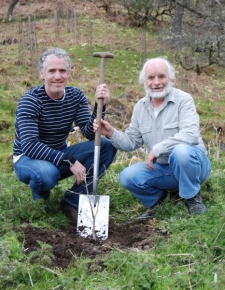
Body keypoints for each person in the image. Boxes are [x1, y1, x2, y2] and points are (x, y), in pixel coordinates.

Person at [94, 57, 211, 218]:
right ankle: (160, 201)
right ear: (144, 81)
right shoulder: (140, 107)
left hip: (194, 166)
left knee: (181, 152)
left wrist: (157, 149)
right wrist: (110, 132)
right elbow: (131, 142)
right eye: (151, 77)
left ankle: (192, 198)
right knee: (127, 177)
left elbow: (190, 135)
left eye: (161, 76)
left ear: (171, 79)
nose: (156, 82)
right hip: (164, 168)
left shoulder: (184, 100)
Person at [13, 47, 117, 223]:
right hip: (28, 158)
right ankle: (40, 202)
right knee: (47, 174)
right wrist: (69, 160)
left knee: (107, 146)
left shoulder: (75, 96)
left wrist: (101, 106)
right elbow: (30, 146)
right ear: (42, 74)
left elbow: (89, 133)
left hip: (59, 154)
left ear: (69, 73)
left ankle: (73, 200)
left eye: (62, 70)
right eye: (51, 71)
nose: (57, 76)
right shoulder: (30, 101)